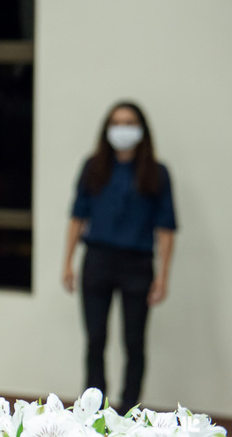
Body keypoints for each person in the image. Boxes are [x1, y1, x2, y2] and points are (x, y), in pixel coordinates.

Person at [62, 101, 176, 413]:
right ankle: (94, 409)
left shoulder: (156, 172)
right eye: (116, 123)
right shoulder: (94, 167)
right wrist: (67, 263)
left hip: (137, 263)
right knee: (95, 339)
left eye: (129, 123)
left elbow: (166, 227)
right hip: (98, 259)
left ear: (141, 130)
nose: (122, 129)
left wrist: (163, 275)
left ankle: (130, 410)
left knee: (134, 342)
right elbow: (77, 216)